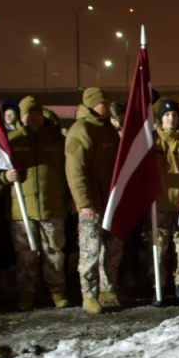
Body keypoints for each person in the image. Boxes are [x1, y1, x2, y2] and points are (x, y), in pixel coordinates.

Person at [5, 96, 70, 311]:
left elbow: (68, 170)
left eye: (37, 114)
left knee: (54, 251)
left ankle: (57, 291)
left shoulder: (56, 140)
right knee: (25, 255)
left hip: (52, 207)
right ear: (21, 116)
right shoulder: (11, 141)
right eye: (29, 114)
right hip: (22, 210)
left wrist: (71, 198)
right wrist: (5, 176)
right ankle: (26, 292)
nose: (34, 118)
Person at [65, 87, 123, 314]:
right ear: (91, 104)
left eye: (108, 103)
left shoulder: (107, 127)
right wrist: (84, 203)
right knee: (91, 250)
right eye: (103, 104)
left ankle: (108, 289)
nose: (107, 107)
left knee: (113, 248)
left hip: (111, 201)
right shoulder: (81, 130)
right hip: (93, 204)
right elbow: (75, 169)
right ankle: (89, 295)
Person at [151, 99, 179, 306]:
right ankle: (158, 287)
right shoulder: (152, 141)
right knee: (159, 249)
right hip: (158, 205)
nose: (171, 119)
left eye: (174, 115)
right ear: (161, 118)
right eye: (167, 115)